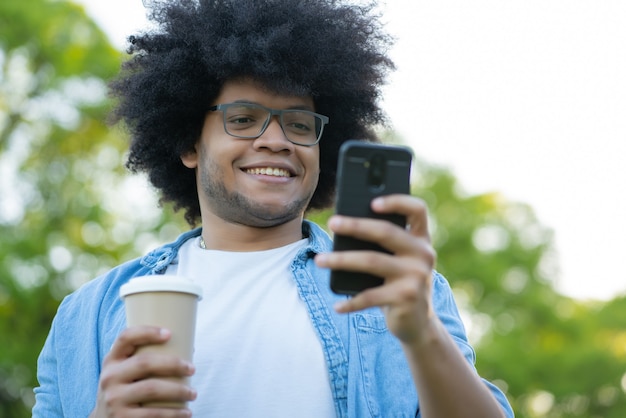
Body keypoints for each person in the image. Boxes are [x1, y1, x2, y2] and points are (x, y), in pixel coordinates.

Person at [33, 0, 514, 417]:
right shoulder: (87, 314)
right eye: (243, 119)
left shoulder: (401, 290)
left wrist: (423, 333)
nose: (277, 141)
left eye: (300, 125)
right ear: (188, 142)